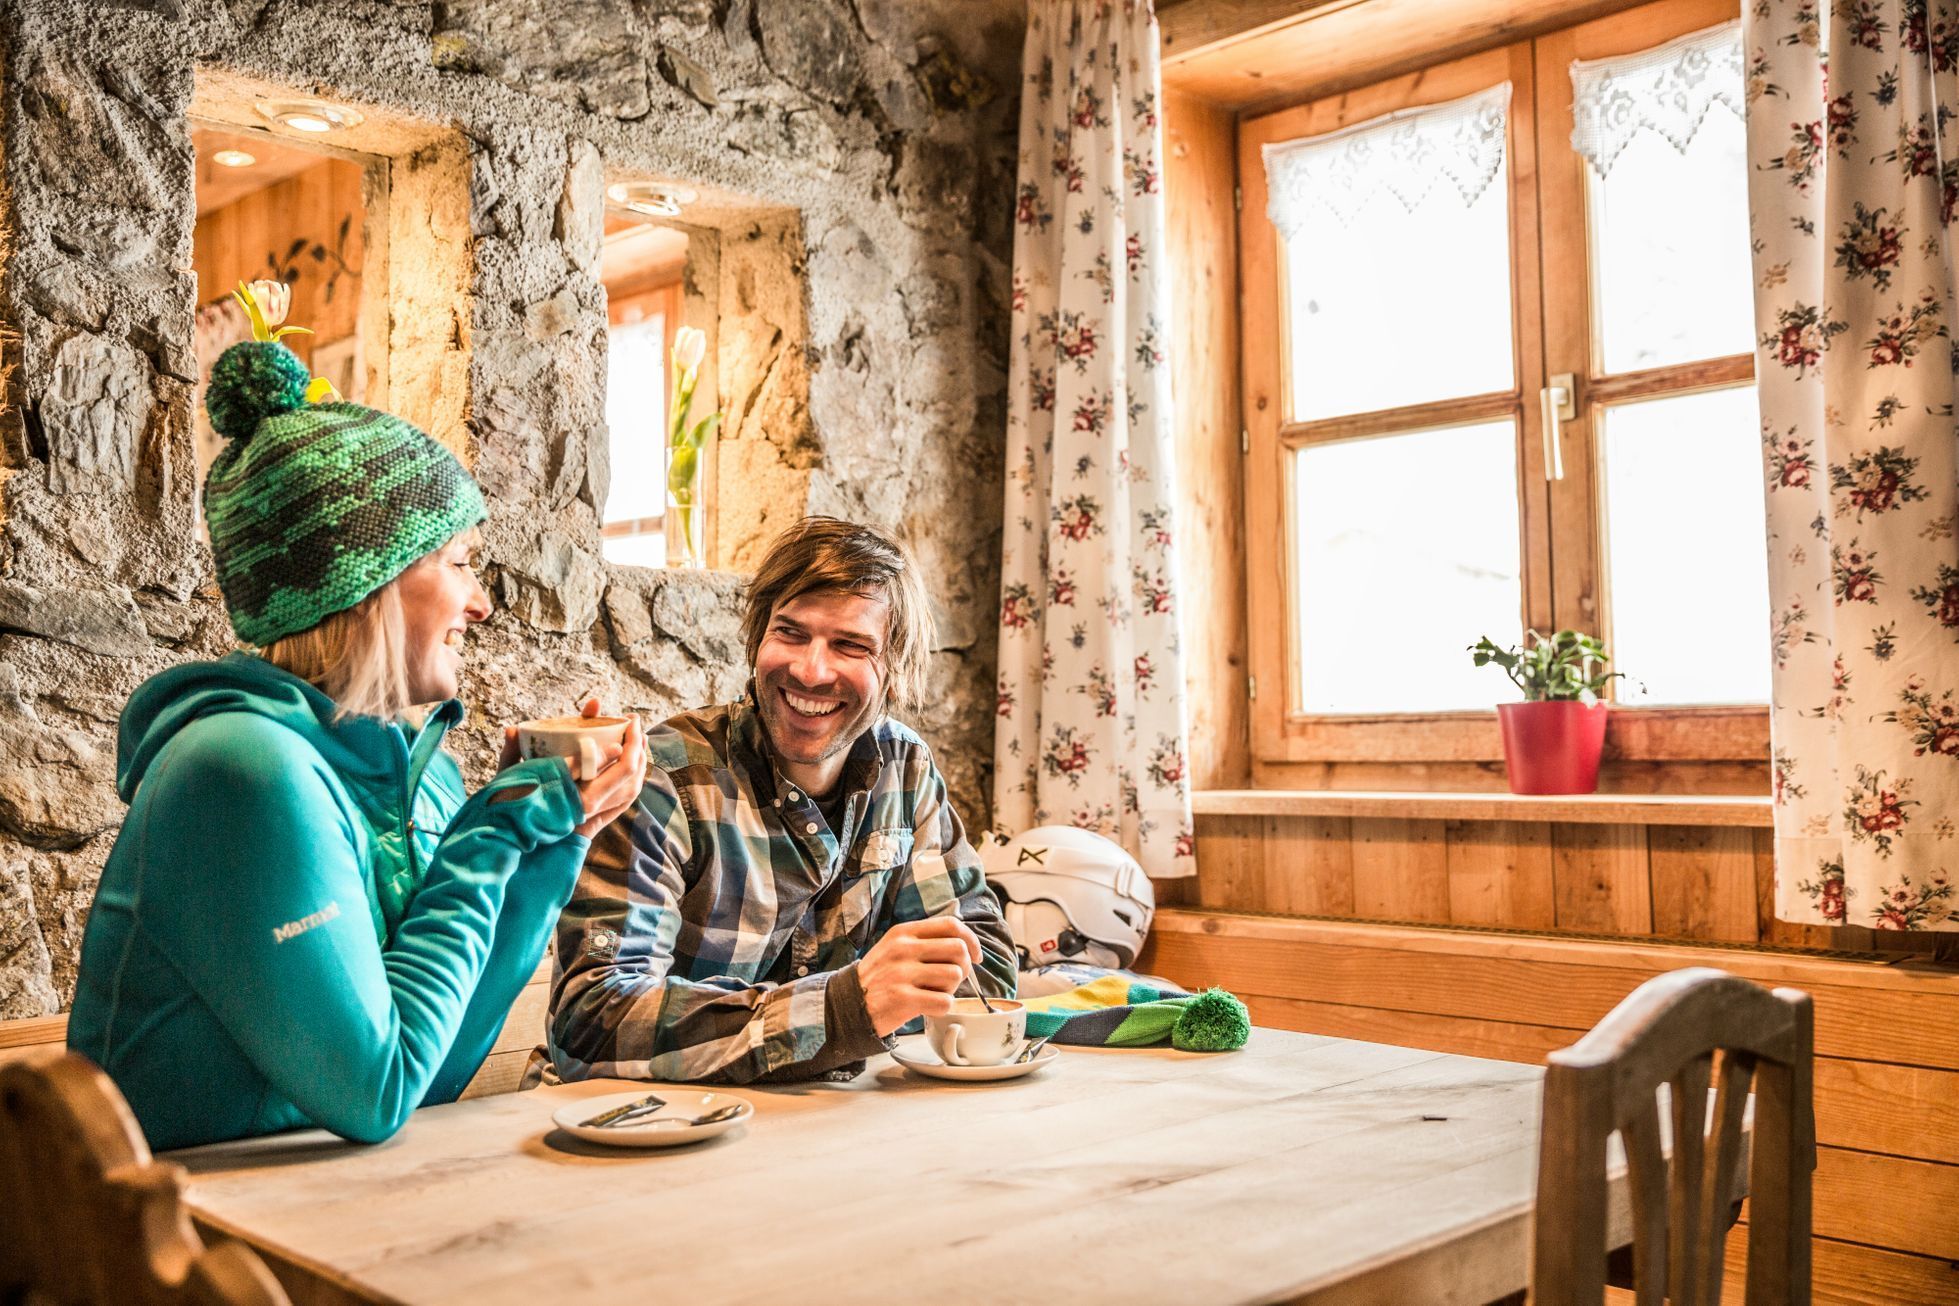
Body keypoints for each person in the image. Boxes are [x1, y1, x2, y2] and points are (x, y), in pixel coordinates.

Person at [67, 335, 645, 1150]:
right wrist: (494, 832)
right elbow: (376, 1095)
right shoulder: (239, 772)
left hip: (321, 1210)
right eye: (458, 562)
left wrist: (550, 841)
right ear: (365, 582)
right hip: (173, 1247)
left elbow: (432, 1074)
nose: (479, 604)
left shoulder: (419, 776)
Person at [544, 517, 1015, 1084]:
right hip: (626, 1133)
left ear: (893, 671)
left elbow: (985, 975)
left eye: (850, 645)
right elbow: (593, 1025)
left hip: (817, 1128)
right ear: (757, 639)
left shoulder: (905, 770)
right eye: (790, 633)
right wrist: (843, 1008)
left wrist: (863, 1006)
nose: (810, 670)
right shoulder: (666, 780)